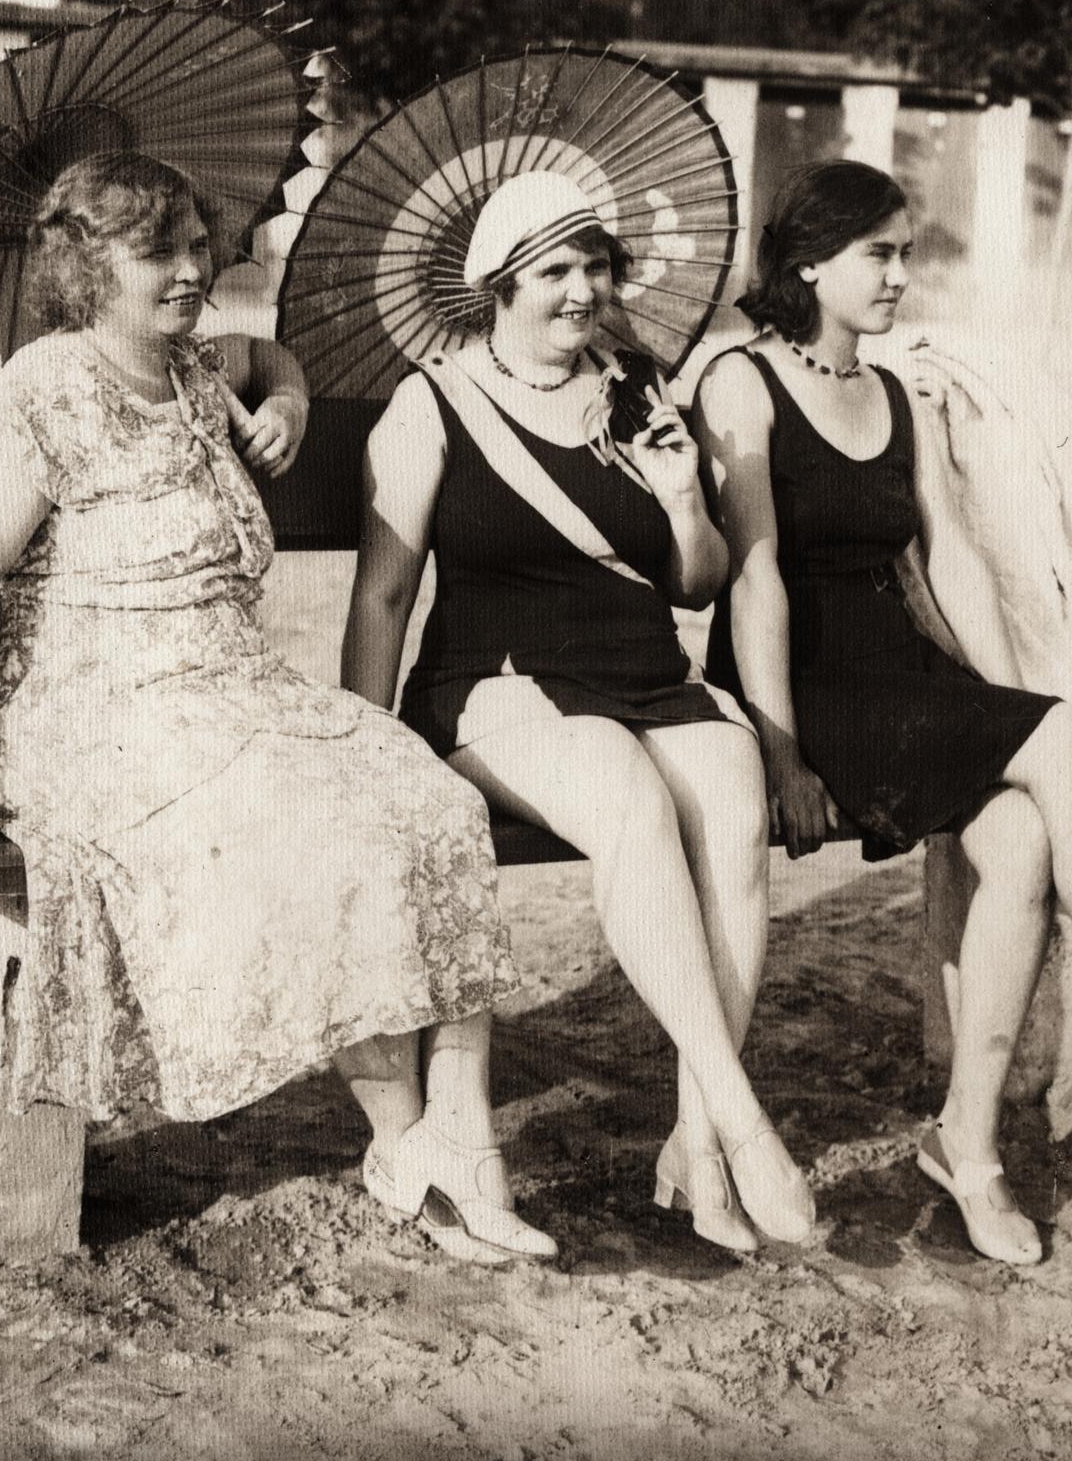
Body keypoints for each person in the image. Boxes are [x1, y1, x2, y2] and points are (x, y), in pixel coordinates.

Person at [0, 150, 554, 1266]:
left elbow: (262, 350)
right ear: (85, 268)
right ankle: (404, 1138)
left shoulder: (188, 366)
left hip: (229, 691)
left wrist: (285, 395)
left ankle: (455, 1138)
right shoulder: (40, 395)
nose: (193, 270)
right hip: (95, 706)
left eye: (199, 246)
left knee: (425, 799)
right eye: (160, 253)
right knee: (320, 823)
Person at [693, 160, 1072, 1268]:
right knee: (1054, 739)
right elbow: (754, 579)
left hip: (899, 674)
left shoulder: (897, 393)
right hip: (802, 683)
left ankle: (964, 1144)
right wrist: (778, 752)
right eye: (878, 255)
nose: (899, 277)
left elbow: (953, 558)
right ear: (807, 262)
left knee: (1018, 841)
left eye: (905, 255)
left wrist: (1008, 711)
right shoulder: (740, 382)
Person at [342, 171, 815, 1252]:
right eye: (554, 270)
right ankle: (742, 1120)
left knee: (733, 804)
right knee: (631, 802)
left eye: (595, 266)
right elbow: (381, 595)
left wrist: (683, 497)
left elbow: (695, 584)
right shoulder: (434, 402)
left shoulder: (638, 389)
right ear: (498, 285)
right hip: (501, 682)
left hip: (645, 670)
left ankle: (695, 1146)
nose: (582, 290)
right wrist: (365, 750)